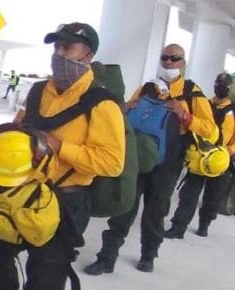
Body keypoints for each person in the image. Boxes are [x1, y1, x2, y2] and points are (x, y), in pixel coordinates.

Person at [0, 22, 125, 290]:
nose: (60, 53)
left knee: (46, 274)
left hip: (65, 200)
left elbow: (112, 162)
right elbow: (18, 127)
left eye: (68, 48)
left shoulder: (101, 104)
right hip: (22, 192)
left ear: (88, 54)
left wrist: (61, 147)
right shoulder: (39, 90)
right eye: (56, 46)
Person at [84, 44, 218, 275]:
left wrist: (185, 115)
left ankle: (149, 255)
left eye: (174, 59)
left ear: (183, 63)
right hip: (137, 159)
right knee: (124, 206)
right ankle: (107, 257)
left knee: (156, 211)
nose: (168, 63)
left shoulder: (192, 93)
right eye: (164, 58)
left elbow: (211, 131)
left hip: (168, 163)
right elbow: (122, 115)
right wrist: (125, 107)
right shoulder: (147, 87)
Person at [164, 73, 235, 238]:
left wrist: (230, 151)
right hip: (199, 156)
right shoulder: (205, 104)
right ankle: (178, 227)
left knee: (213, 197)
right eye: (218, 83)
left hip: (221, 160)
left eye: (224, 84)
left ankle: (205, 224)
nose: (220, 86)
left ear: (230, 88)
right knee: (188, 194)